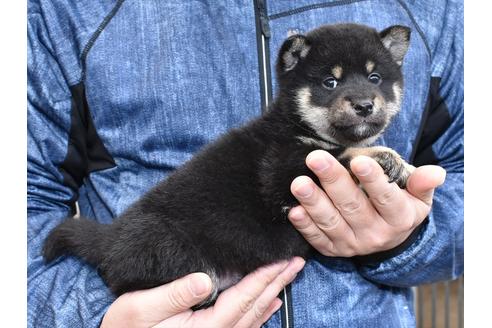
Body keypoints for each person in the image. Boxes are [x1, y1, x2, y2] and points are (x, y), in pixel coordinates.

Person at [27, 0, 463, 327]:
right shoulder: (65, 10)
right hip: (160, 254)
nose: (363, 99)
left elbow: (469, 180)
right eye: (330, 83)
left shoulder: (437, 8)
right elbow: (23, 197)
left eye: (373, 79)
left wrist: (409, 237)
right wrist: (94, 317)